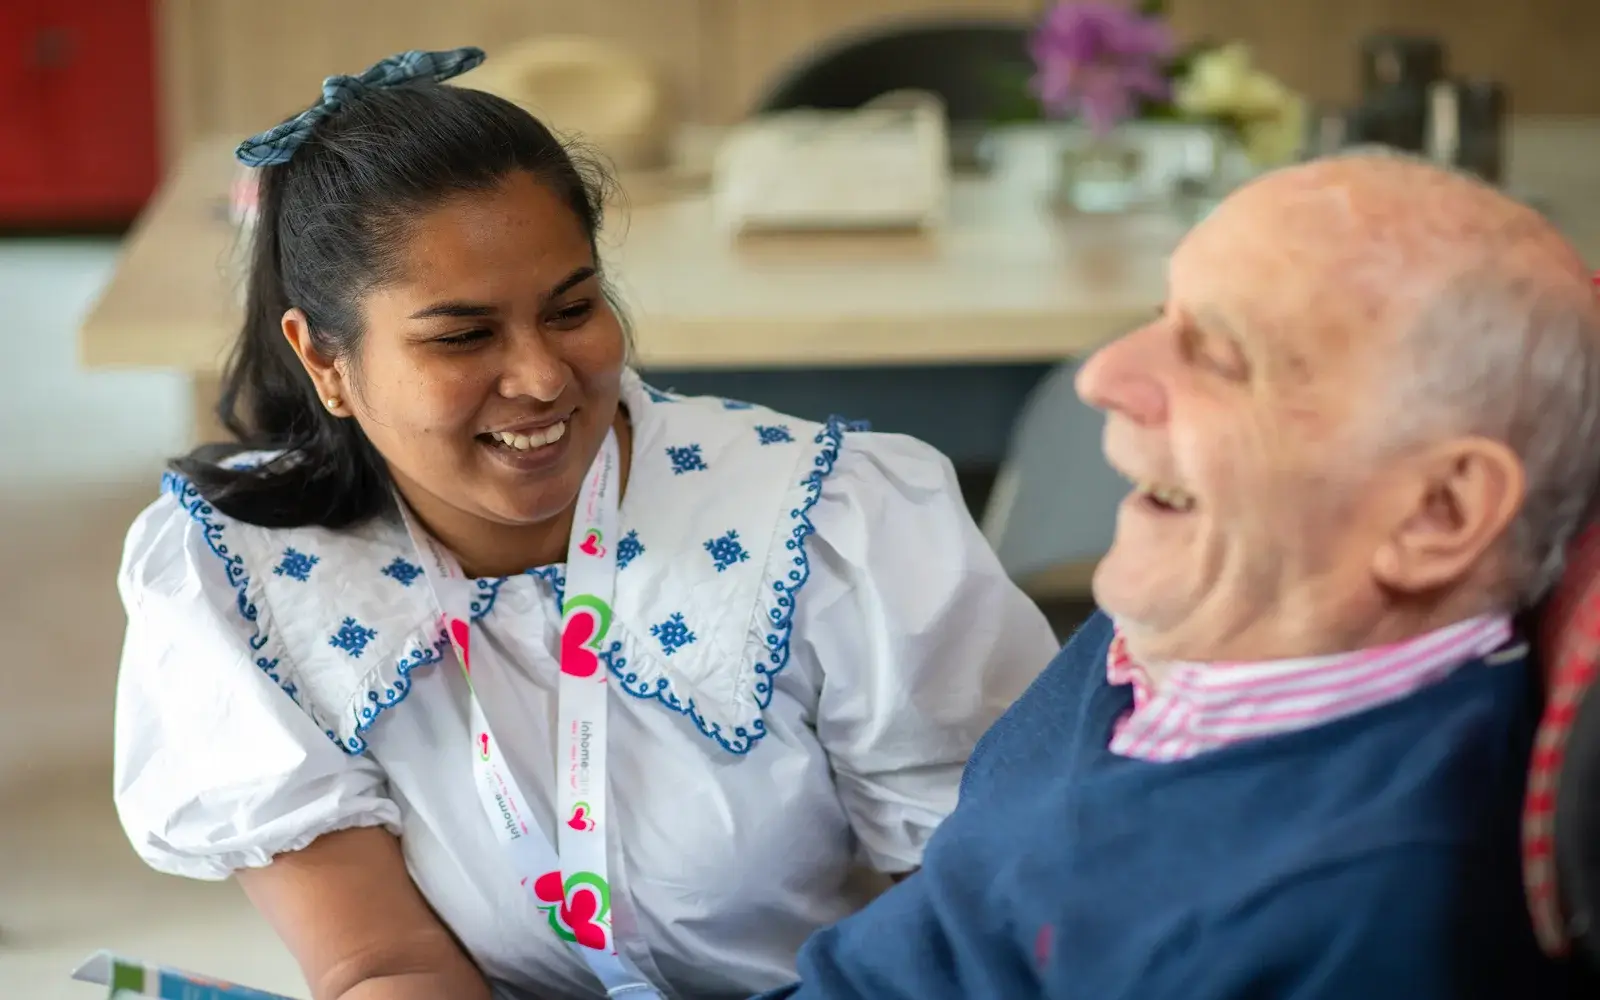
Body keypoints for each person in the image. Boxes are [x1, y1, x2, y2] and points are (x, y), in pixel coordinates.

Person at [111, 48, 1058, 1000]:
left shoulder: (831, 522)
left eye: (572, 308)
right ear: (324, 361)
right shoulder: (240, 574)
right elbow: (381, 963)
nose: (542, 379)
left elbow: (969, 911)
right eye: (463, 336)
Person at [757, 151, 1600, 999]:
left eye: (1221, 356)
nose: (1101, 377)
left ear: (1436, 515)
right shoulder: (1202, 623)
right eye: (1161, 317)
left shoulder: (1354, 916)